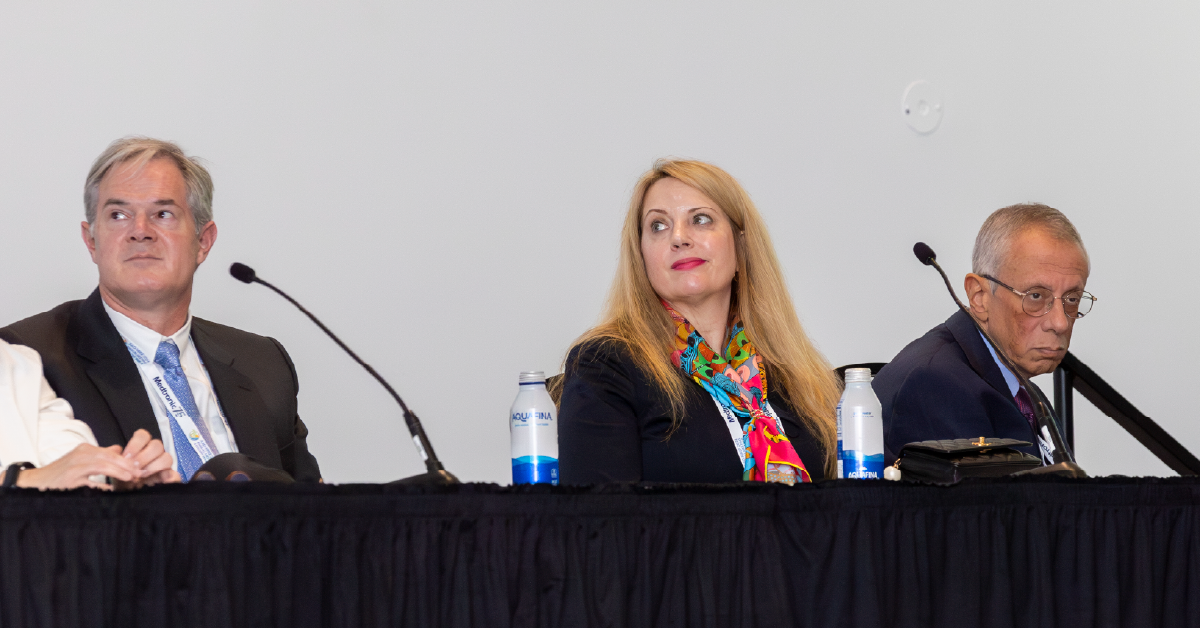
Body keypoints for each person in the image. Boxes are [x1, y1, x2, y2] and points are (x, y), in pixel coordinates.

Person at [0, 137, 321, 482]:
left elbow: (314, 510)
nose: (140, 232)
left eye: (163, 214)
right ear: (91, 241)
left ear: (203, 241)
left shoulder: (262, 363)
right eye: (118, 215)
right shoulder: (30, 355)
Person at [557, 159, 841, 485]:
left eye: (701, 219)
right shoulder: (606, 365)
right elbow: (602, 525)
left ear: (741, 245)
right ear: (641, 256)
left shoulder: (797, 373)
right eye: (659, 226)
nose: (679, 238)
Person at [873, 203, 1095, 463]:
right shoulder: (934, 385)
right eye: (1036, 296)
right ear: (979, 297)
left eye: (1071, 299)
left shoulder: (1020, 389)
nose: (1060, 323)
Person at [0, 338, 178, 489]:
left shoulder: (17, 363)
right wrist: (23, 481)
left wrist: (120, 477)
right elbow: (47, 478)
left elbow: (65, 466)